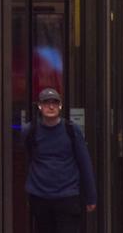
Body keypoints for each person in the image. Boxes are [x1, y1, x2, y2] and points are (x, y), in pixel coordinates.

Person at [22, 87, 97, 233]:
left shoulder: (71, 130)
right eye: (46, 103)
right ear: (39, 106)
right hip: (40, 197)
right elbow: (29, 156)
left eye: (55, 103)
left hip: (67, 196)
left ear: (60, 106)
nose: (51, 107)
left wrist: (91, 196)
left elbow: (85, 163)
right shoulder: (30, 131)